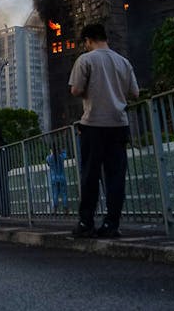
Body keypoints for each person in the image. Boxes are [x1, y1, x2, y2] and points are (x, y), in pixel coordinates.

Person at [68, 23, 139, 238]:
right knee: (116, 176)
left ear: (88, 40)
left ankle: (86, 222)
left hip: (93, 124)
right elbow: (135, 93)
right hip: (119, 124)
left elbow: (76, 89)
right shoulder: (123, 62)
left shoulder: (85, 60)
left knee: (90, 174)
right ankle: (112, 224)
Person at [47, 148, 68, 213]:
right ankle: (65, 209)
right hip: (62, 178)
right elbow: (65, 153)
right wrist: (62, 150)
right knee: (64, 194)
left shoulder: (49, 158)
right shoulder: (61, 157)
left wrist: (51, 153)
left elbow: (48, 163)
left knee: (55, 193)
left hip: (54, 178)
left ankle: (55, 209)